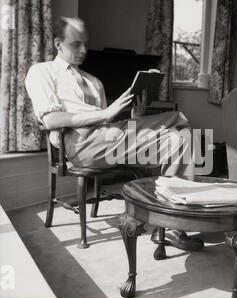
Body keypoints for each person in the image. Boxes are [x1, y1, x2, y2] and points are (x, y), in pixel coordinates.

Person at [25, 16, 203, 251]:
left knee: (180, 139)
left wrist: (136, 117)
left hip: (106, 139)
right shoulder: (42, 72)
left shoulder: (94, 81)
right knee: (179, 119)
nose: (83, 50)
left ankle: (171, 226)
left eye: (85, 44)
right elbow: (51, 120)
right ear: (58, 44)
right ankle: (167, 218)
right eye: (75, 44)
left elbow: (111, 128)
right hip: (80, 144)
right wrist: (106, 115)